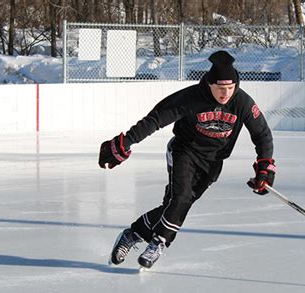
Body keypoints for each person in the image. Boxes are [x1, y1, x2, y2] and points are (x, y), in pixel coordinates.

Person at [98, 50, 276, 269]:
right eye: (220, 88)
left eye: (230, 88)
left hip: (212, 162)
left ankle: (133, 234)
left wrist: (265, 168)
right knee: (181, 198)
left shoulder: (243, 103)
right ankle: (159, 242)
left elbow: (262, 135)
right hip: (184, 151)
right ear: (209, 84)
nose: (225, 94)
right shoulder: (191, 98)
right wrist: (125, 142)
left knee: (175, 205)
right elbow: (155, 120)